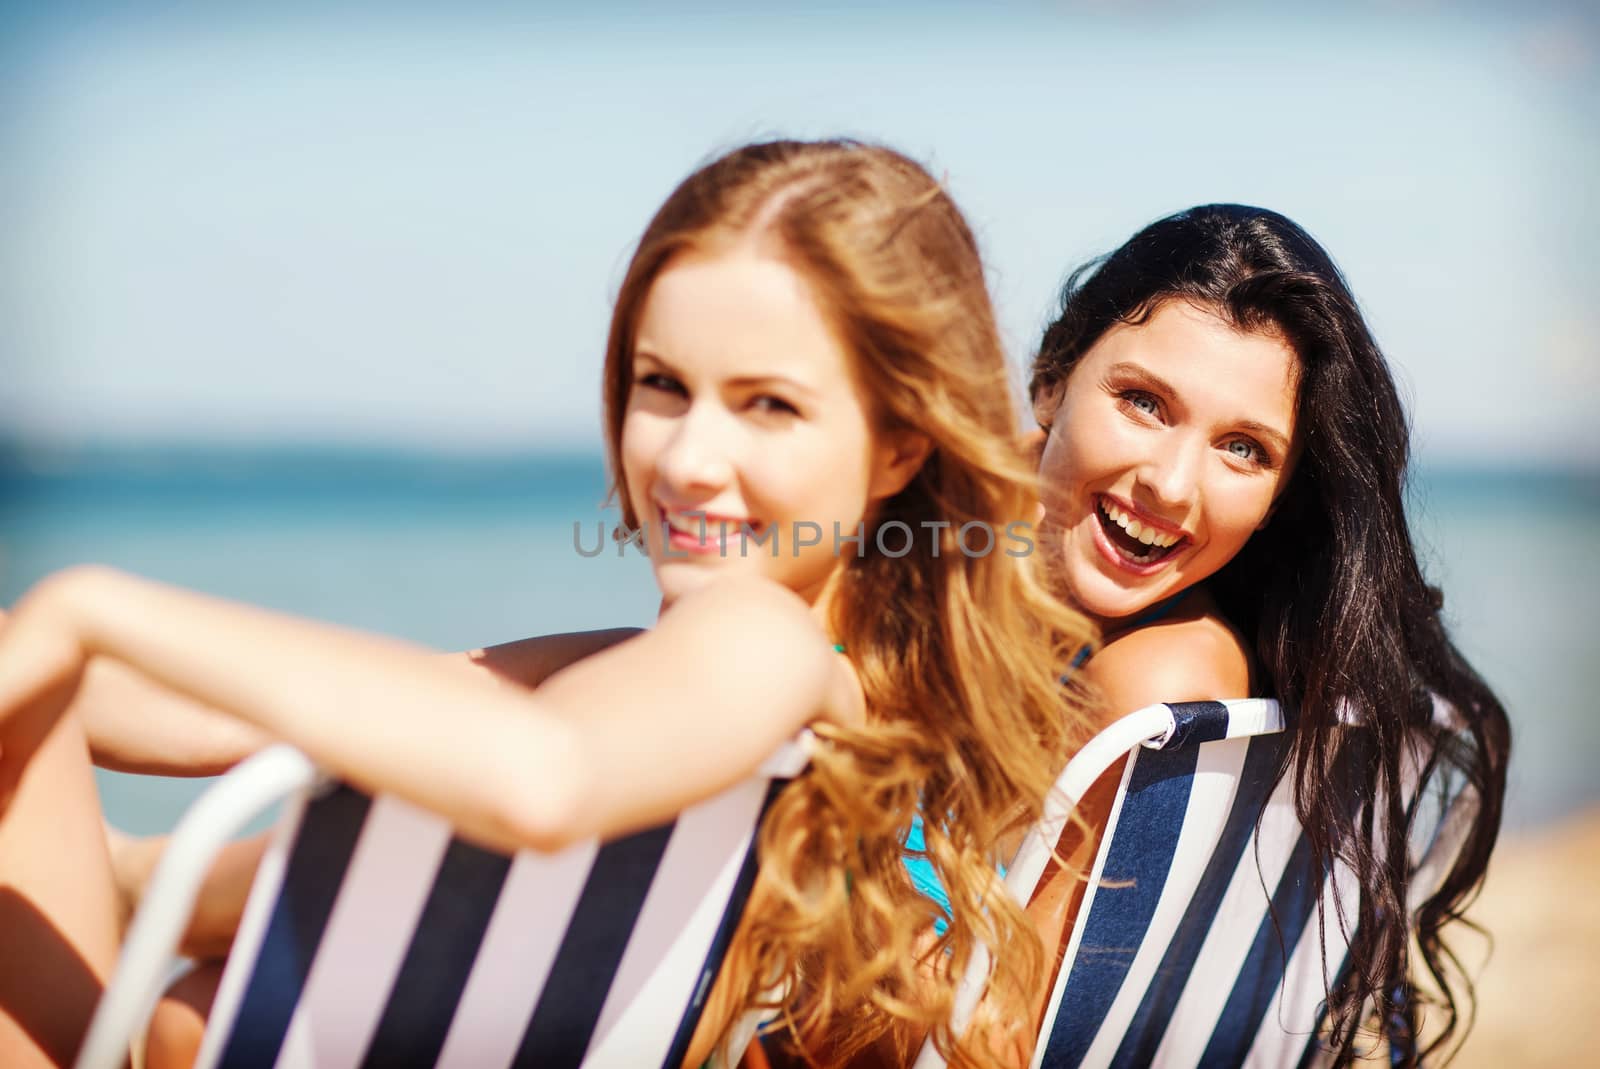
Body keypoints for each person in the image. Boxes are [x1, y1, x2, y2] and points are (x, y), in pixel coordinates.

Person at [0, 139, 1094, 1069]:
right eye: (661, 386)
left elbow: (541, 778)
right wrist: (49, 664)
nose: (689, 459)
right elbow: (272, 715)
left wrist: (89, 608)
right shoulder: (763, 680)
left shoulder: (755, 643)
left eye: (768, 405)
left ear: (899, 444)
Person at [1021, 203, 1511, 1065]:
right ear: (1051, 377)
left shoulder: (1160, 680)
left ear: (1284, 492)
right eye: (1143, 402)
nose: (1171, 485)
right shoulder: (958, 583)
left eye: (1243, 448)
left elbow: (997, 1031)